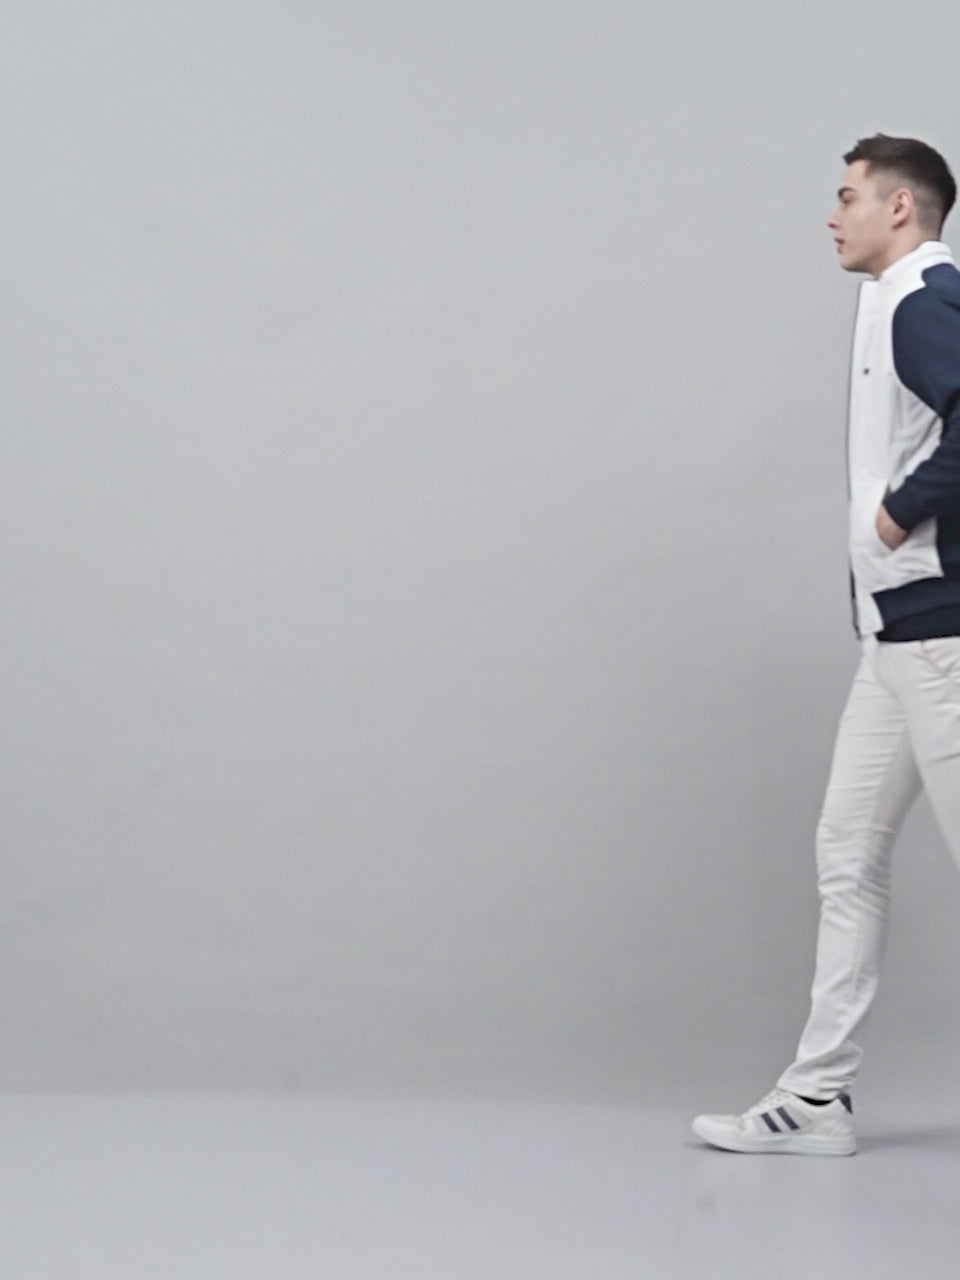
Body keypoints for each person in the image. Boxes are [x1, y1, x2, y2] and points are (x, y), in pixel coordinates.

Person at [693, 134, 960, 1156]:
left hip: (941, 638)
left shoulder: (924, 298)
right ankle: (817, 1097)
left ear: (901, 207)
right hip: (896, 639)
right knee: (847, 852)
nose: (832, 213)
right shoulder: (890, 301)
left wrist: (901, 511)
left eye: (848, 196)